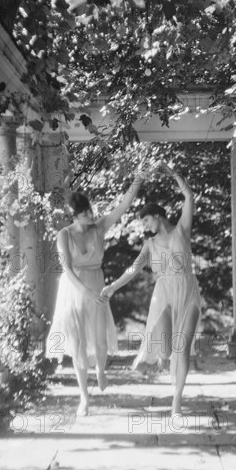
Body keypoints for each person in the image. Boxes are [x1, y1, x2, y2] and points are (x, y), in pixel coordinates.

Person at [101, 162, 201, 415]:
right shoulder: (149, 244)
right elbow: (133, 269)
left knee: (183, 349)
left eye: (146, 220)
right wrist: (112, 286)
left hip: (188, 290)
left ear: (157, 215)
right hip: (164, 294)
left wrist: (173, 172)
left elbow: (189, 195)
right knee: (167, 350)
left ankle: (176, 400)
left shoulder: (182, 229)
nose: (145, 225)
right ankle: (161, 358)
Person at [46, 174, 143, 416]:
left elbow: (122, 207)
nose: (90, 216)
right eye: (84, 214)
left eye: (90, 211)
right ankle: (84, 398)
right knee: (77, 343)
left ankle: (100, 369)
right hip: (73, 288)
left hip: (96, 283)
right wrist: (85, 291)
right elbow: (66, 269)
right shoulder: (64, 235)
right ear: (74, 216)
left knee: (99, 339)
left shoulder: (99, 226)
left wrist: (137, 180)